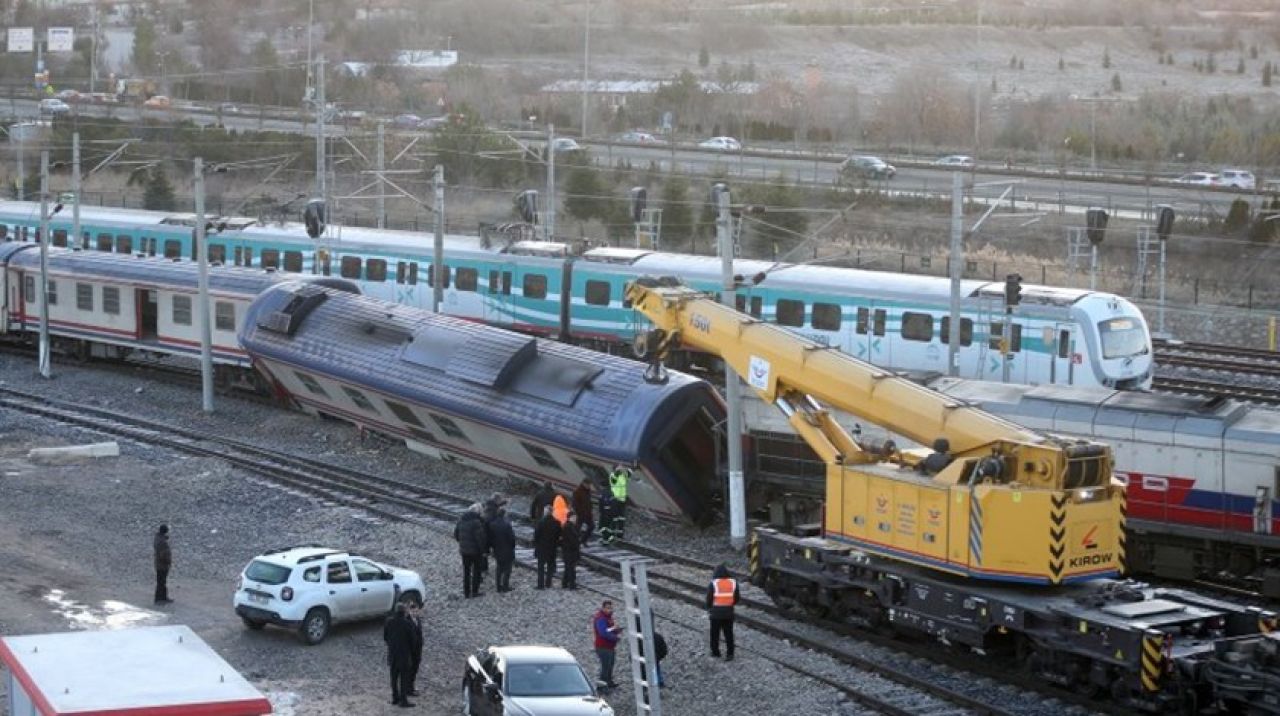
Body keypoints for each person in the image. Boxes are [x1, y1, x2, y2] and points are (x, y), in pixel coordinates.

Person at [383, 602, 417, 707]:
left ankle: (395, 698)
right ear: (403, 612)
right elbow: (413, 640)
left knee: (393, 677)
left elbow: (385, 637)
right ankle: (403, 700)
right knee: (404, 678)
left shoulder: (389, 622)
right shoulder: (407, 624)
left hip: (393, 654)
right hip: (404, 655)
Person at [706, 563, 740, 661]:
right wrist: (730, 604)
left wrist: (710, 608)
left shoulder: (714, 583)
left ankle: (716, 652)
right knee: (728, 633)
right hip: (729, 612)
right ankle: (730, 653)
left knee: (714, 634)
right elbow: (737, 598)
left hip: (716, 613)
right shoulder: (733, 582)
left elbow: (709, 599)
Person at [454, 503, 488, 598]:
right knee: (477, 571)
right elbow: (480, 539)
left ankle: (466, 592)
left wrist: (462, 543)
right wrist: (484, 551)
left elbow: (456, 535)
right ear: (478, 512)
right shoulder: (476, 522)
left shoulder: (461, 520)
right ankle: (475, 591)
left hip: (464, 551)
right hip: (475, 552)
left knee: (466, 572)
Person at [592, 600, 622, 690]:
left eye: (611, 608)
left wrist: (617, 630)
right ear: (603, 608)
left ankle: (608, 681)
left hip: (609, 646)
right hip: (603, 646)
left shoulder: (608, 617)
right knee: (605, 666)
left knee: (610, 664)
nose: (610, 610)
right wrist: (615, 637)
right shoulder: (601, 618)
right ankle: (601, 685)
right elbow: (603, 633)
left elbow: (609, 629)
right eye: (608, 608)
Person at [489, 506, 517, 593]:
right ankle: (505, 586)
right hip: (507, 549)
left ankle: (498, 586)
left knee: (499, 568)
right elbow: (512, 538)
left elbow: (490, 538)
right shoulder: (507, 525)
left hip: (497, 549)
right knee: (507, 569)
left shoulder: (492, 524)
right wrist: (513, 546)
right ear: (504, 515)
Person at [533, 505, 561, 589]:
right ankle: (548, 583)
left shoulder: (541, 522)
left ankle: (540, 585)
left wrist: (536, 543)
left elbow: (536, 535)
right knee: (550, 566)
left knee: (541, 567)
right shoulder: (557, 523)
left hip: (542, 548)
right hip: (552, 548)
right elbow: (559, 535)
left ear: (545, 512)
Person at [406, 601, 424, 697]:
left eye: (416, 611)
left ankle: (411, 686)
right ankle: (409, 689)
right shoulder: (407, 621)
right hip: (410, 650)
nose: (414, 613)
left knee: (415, 669)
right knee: (410, 670)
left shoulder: (417, 619)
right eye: (413, 612)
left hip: (417, 649)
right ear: (409, 611)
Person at [153, 524, 172, 604]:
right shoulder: (163, 542)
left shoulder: (157, 539)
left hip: (158, 563)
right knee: (162, 582)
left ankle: (161, 597)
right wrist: (168, 561)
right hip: (162, 565)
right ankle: (160, 598)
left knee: (161, 581)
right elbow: (164, 554)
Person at [560, 513, 581, 589]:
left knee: (568, 567)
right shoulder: (568, 527)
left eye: (575, 517)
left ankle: (565, 583)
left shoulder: (572, 526)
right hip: (569, 550)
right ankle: (572, 585)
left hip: (570, 550)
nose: (575, 519)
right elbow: (571, 539)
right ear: (569, 518)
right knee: (571, 568)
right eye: (574, 518)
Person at [572, 479, 595, 546]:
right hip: (580, 514)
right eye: (588, 484)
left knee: (592, 526)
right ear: (584, 484)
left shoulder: (588, 491)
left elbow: (589, 502)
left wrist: (591, 510)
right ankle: (575, 542)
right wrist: (578, 512)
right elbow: (574, 504)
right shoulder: (577, 491)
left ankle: (583, 540)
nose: (589, 486)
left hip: (588, 513)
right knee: (577, 529)